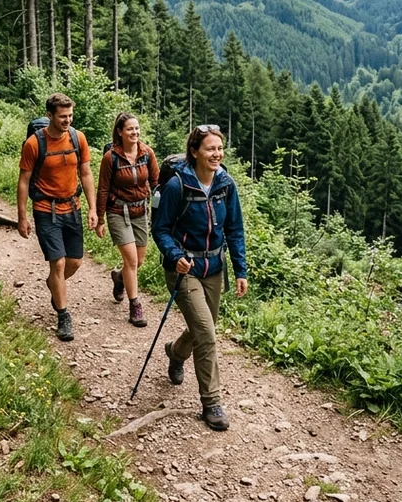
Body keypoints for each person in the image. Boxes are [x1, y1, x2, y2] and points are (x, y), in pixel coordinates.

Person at [151, 124, 248, 432]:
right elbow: (161, 229)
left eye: (219, 149)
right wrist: (175, 255)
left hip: (214, 269)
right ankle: (212, 403)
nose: (216, 154)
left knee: (201, 328)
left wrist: (241, 269)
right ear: (194, 152)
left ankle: (175, 353)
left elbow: (234, 229)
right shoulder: (178, 186)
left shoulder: (225, 184)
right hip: (184, 268)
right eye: (210, 149)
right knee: (206, 333)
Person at [17, 93, 97, 342]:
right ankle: (63, 315)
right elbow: (23, 181)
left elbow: (86, 174)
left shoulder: (77, 138)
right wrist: (22, 217)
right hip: (45, 209)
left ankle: (55, 285)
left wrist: (93, 208)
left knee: (75, 262)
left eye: (70, 115)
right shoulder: (34, 144)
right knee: (59, 263)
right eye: (63, 116)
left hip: (73, 207)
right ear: (50, 115)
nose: (67, 120)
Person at [95, 113, 158, 328]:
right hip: (117, 211)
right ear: (120, 132)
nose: (135, 132)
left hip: (140, 211)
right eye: (130, 129)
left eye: (137, 128)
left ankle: (120, 278)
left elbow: (156, 183)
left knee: (138, 261)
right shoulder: (110, 157)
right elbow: (103, 188)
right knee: (131, 260)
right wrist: (101, 218)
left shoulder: (147, 154)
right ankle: (135, 306)